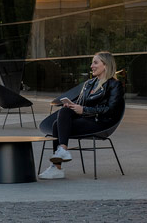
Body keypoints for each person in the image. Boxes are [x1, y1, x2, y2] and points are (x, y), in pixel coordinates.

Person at [39, 51, 124, 180]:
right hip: (85, 120)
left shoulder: (114, 85)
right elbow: (80, 105)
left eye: (95, 63)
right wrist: (73, 106)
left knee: (58, 125)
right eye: (92, 63)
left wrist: (84, 110)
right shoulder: (89, 84)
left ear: (105, 65)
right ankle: (62, 153)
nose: (92, 66)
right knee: (62, 114)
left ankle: (57, 165)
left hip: (100, 122)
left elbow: (111, 110)